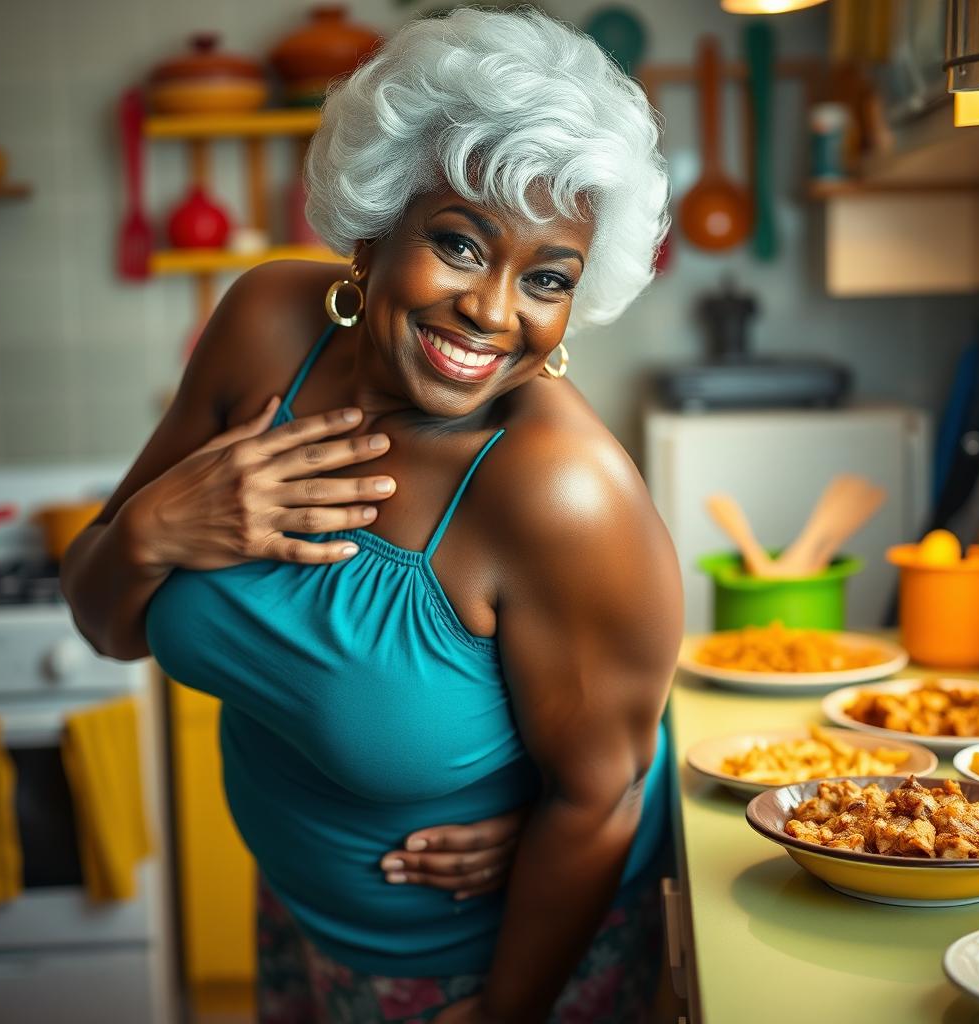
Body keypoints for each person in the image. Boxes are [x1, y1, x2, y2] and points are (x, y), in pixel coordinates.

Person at [61, 6, 680, 1021]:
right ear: (374, 224)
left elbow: (601, 792)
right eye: (459, 242)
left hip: (478, 973)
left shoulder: (561, 493)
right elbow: (107, 622)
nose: (491, 310)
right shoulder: (265, 329)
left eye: (548, 278)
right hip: (296, 917)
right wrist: (152, 531)